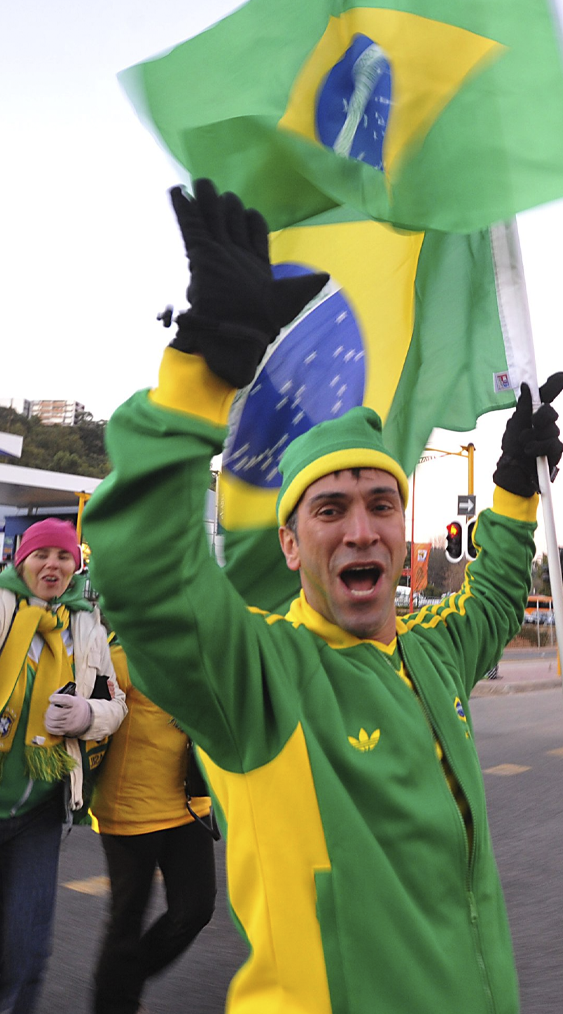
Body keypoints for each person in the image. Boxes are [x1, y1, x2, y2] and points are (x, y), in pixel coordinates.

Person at [84, 180, 563, 1014]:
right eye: (328, 510)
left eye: (380, 504)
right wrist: (204, 369)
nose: (360, 531)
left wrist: (515, 489)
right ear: (289, 542)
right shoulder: (264, 677)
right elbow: (145, 575)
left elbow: (488, 605)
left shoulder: (429, 652)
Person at [0, 518, 127, 1014]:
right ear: (20, 560)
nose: (52, 565)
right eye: (41, 555)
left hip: (41, 811)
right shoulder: (4, 609)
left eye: (63, 557)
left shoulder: (87, 628)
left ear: (76, 566)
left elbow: (114, 703)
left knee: (29, 948)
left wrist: (88, 715)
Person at [91, 637, 217, 1014]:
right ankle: (114, 1003)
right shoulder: (121, 656)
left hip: (189, 805)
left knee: (195, 909)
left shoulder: (203, 652)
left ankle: (121, 981)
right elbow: (96, 720)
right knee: (126, 921)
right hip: (131, 810)